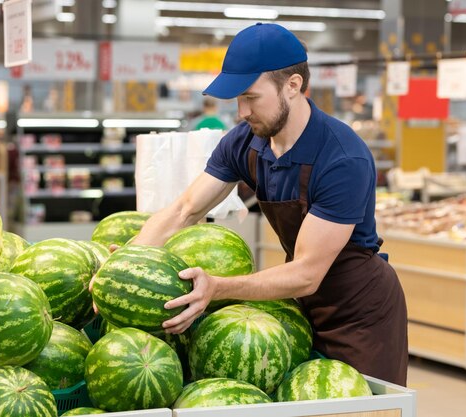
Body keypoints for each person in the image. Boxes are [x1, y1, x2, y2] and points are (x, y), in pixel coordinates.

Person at [129, 23, 409, 386]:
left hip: (358, 315)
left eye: (251, 97)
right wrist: (127, 261)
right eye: (237, 99)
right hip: (297, 304)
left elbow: (307, 272)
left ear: (292, 86)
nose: (242, 111)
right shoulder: (245, 141)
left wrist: (218, 286)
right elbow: (185, 210)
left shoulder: (342, 158)